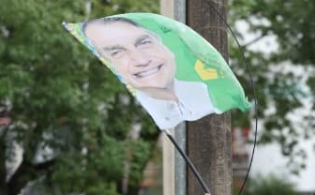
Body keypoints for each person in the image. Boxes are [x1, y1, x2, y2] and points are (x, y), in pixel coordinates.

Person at [82, 16, 216, 128]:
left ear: (163, 43)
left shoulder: (209, 94)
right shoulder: (132, 113)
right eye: (117, 52)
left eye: (144, 43)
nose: (141, 60)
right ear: (109, 63)